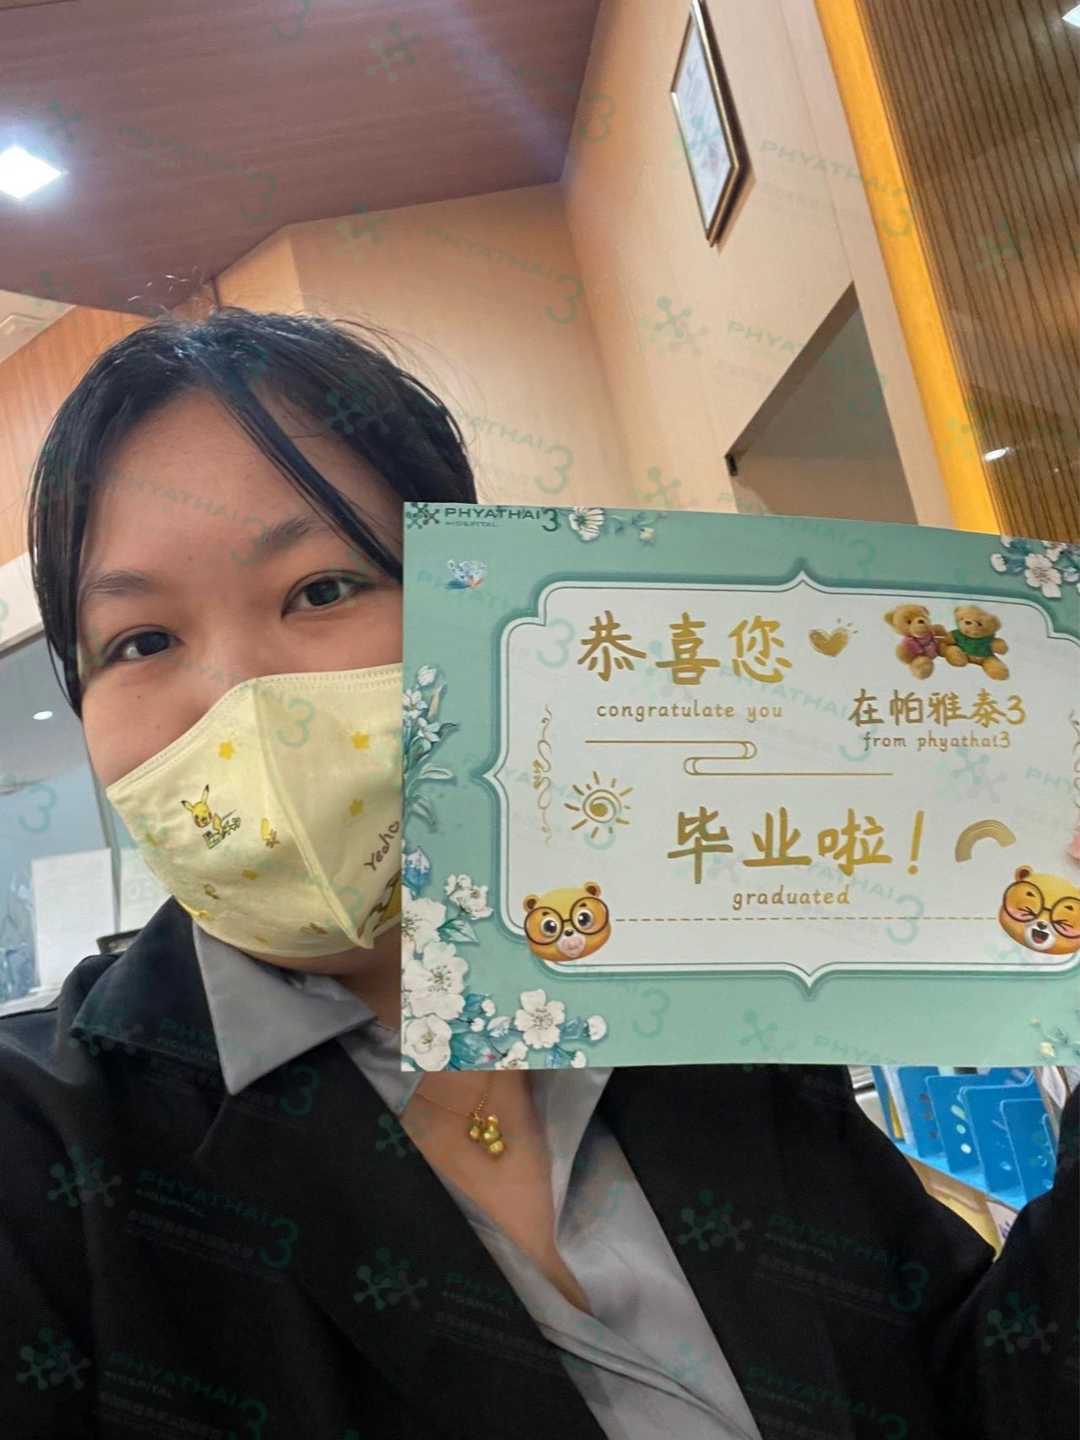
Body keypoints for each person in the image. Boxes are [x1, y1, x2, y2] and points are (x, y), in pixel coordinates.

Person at [0, 308, 1074, 1440]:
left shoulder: (690, 991)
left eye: (320, 590)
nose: (236, 693)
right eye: (141, 642)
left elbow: (974, 1392)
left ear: (483, 602)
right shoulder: (42, 1159)